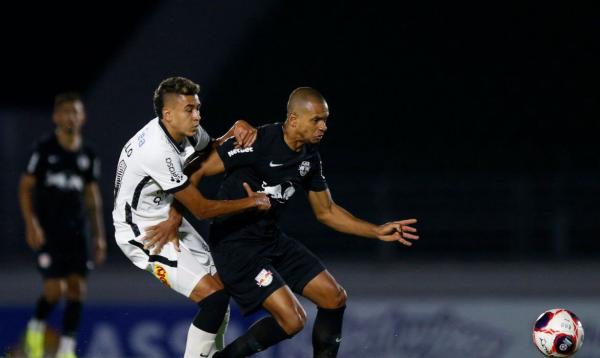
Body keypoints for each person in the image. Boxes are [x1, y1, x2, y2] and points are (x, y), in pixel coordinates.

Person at [182, 87, 419, 358]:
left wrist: (375, 230)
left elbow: (326, 211)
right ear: (293, 120)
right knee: (293, 320)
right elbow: (197, 171)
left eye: (325, 120)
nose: (324, 127)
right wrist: (177, 215)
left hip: (270, 239)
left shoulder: (309, 158)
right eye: (316, 120)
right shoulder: (256, 142)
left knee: (334, 297)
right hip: (236, 247)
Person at [112, 76, 270, 358]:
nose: (197, 116)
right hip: (142, 232)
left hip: (166, 217)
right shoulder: (156, 150)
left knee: (221, 290)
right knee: (214, 298)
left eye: (198, 108)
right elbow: (202, 209)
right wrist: (251, 202)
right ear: (167, 114)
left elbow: (209, 152)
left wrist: (233, 131)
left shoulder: (187, 131)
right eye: (189, 109)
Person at [20, 92, 107, 358]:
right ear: (56, 117)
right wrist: (31, 223)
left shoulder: (88, 154)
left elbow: (92, 196)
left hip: (77, 231)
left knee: (77, 288)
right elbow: (25, 188)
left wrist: (99, 236)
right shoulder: (44, 149)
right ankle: (36, 326)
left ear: (82, 117)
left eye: (75, 112)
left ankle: (67, 349)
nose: (70, 117)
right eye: (65, 112)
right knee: (54, 289)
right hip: (49, 231)